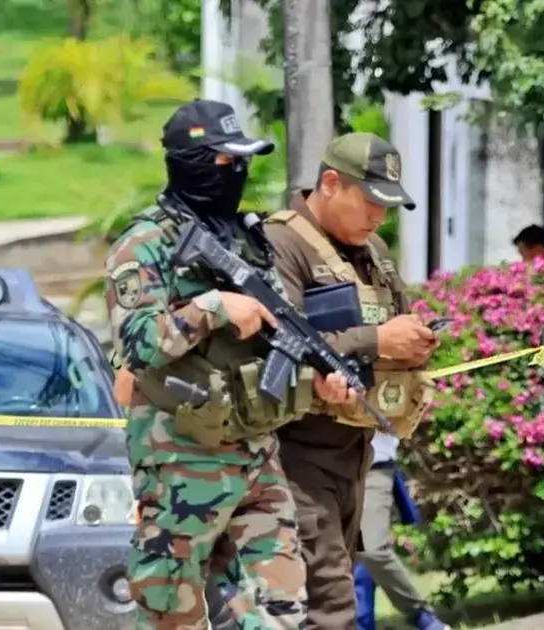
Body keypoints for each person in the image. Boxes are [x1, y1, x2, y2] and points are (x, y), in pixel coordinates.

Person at [106, 98, 358, 629]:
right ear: (191, 163)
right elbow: (139, 343)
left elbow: (268, 341)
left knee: (280, 607)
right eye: (224, 162)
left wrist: (317, 383)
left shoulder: (246, 236)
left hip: (255, 454)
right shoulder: (145, 244)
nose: (236, 173)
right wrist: (216, 307)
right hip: (180, 456)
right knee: (168, 608)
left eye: (240, 161)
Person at [264, 131, 438, 630]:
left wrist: (415, 340)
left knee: (335, 582)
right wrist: (377, 341)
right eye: (370, 202)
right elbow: (282, 344)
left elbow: (397, 317)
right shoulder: (283, 243)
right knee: (329, 600)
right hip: (295, 449)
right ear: (331, 183)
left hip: (357, 447)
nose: (379, 216)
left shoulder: (373, 249)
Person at [355, 433, 450, 630]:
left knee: (370, 548)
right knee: (338, 555)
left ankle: (421, 614)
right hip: (318, 464)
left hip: (372, 463)